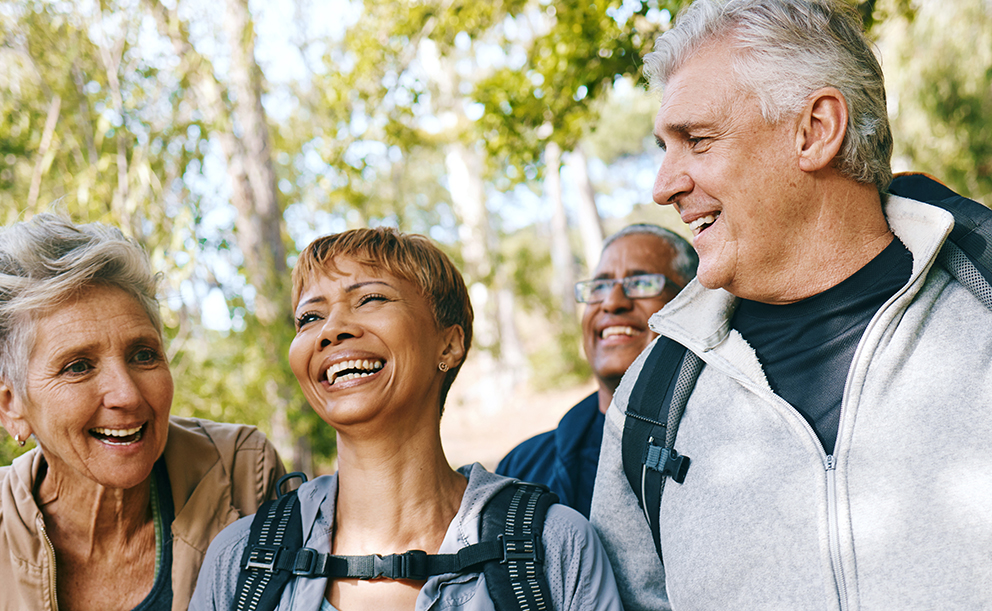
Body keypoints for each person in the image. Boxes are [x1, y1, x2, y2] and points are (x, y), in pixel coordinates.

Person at [590, 1, 992, 609]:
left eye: (697, 140)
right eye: (664, 148)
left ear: (816, 130)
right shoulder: (649, 403)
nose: (663, 185)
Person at [191, 227, 622, 610]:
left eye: (370, 299)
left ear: (449, 345)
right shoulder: (241, 560)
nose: (331, 329)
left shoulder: (554, 548)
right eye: (310, 317)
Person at [0, 213, 285, 611]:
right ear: (9, 401)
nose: (127, 395)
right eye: (78, 366)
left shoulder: (241, 471)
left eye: (143, 355)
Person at [497, 225, 697, 518]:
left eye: (641, 283)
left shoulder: (728, 449)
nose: (612, 302)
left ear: (691, 305)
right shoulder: (520, 471)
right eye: (599, 286)